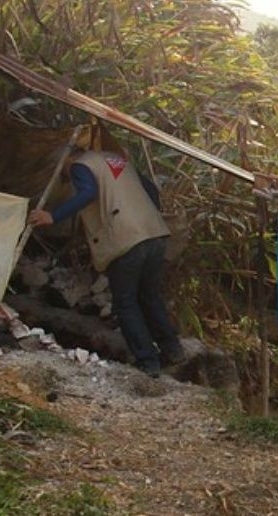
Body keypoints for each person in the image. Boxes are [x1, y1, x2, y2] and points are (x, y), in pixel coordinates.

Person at [28, 145, 184, 378]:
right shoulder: (117, 161)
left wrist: (53, 216)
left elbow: (87, 193)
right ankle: (173, 350)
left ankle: (148, 362)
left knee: (125, 302)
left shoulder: (81, 165)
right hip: (155, 234)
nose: (68, 178)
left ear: (68, 159)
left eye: (64, 173)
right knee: (149, 296)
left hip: (126, 239)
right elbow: (151, 190)